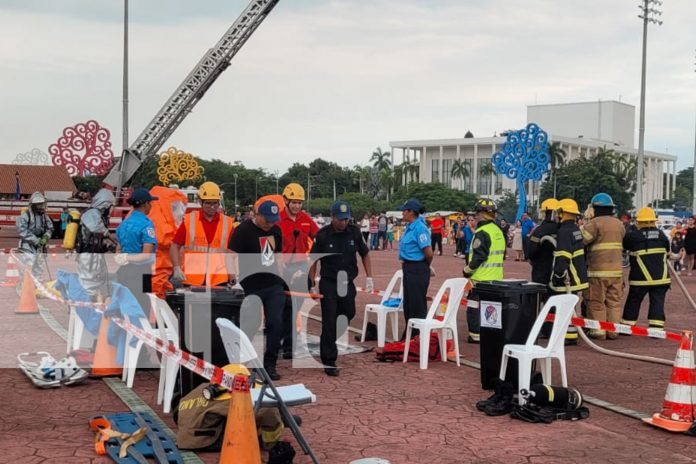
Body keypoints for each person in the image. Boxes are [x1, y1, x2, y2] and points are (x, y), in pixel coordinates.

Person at [309, 201, 372, 376]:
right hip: (329, 283)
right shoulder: (323, 235)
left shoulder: (354, 232)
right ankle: (329, 359)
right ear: (333, 217)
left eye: (346, 219)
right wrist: (312, 284)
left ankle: (327, 341)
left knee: (348, 313)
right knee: (329, 320)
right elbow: (312, 260)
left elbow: (365, 253)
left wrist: (370, 277)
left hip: (347, 282)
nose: (344, 223)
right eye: (340, 219)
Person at [228, 200, 286, 380]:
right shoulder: (243, 231)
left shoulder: (276, 231)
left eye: (273, 220)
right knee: (250, 325)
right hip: (250, 286)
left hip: (273, 285)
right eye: (267, 220)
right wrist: (232, 279)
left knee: (275, 323)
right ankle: (242, 361)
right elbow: (230, 255)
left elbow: (278, 256)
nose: (270, 224)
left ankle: (270, 365)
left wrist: (284, 277)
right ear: (257, 215)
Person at [277, 182, 319, 359]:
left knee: (295, 307)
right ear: (286, 201)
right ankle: (287, 343)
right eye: (293, 202)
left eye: (299, 202)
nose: (296, 206)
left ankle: (289, 342)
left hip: (301, 268)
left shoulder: (305, 219)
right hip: (282, 269)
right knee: (284, 307)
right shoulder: (277, 219)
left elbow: (318, 235)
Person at [170, 182, 236, 287]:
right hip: (192, 279)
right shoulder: (189, 220)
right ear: (200, 202)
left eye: (215, 203)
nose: (212, 207)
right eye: (208, 203)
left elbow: (232, 253)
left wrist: (233, 279)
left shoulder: (227, 223)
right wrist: (176, 267)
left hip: (219, 280)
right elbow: (174, 245)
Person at [581, 193, 625, 340]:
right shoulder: (619, 224)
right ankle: (613, 331)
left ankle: (598, 331)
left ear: (595, 208)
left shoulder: (594, 224)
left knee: (596, 301)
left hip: (597, 272)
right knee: (614, 302)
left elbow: (582, 241)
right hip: (617, 272)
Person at [463, 199, 505, 344]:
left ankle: (475, 335)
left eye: (476, 213)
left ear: (481, 214)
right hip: (496, 278)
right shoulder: (497, 231)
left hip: (480, 279)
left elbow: (479, 257)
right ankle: (491, 334)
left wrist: (466, 271)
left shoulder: (482, 232)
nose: (475, 216)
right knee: (492, 309)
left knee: (474, 308)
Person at [621, 207, 670, 330]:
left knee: (634, 300)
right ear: (654, 221)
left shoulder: (633, 236)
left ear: (639, 221)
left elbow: (625, 245)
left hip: (640, 278)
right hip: (661, 278)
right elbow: (667, 250)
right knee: (657, 301)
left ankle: (627, 326)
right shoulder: (662, 235)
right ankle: (656, 327)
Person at [550, 198, 588, 345]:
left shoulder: (564, 232)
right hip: (577, 274)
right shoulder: (575, 229)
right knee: (571, 306)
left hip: (568, 277)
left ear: (562, 213)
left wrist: (558, 276)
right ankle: (571, 334)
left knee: (564, 307)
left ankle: (567, 336)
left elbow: (563, 257)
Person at [115, 188, 158, 318]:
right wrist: (129, 257)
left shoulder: (124, 224)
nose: (151, 206)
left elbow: (118, 250)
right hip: (141, 272)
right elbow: (146, 255)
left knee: (124, 309)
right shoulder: (146, 225)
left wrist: (124, 257)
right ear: (145, 204)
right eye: (150, 203)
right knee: (142, 309)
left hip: (123, 271)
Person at [396, 198, 433, 335]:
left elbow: (428, 253)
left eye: (404, 211)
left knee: (417, 304)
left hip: (417, 268)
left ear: (411, 212)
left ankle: (417, 336)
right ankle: (409, 333)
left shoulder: (420, 228)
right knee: (409, 304)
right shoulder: (410, 227)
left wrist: (425, 266)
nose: (402, 213)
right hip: (409, 268)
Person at [76, 188, 117, 299]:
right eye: (110, 206)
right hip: (88, 255)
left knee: (98, 281)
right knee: (88, 283)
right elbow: (95, 228)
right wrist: (110, 235)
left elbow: (99, 238)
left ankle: (92, 306)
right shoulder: (91, 213)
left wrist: (112, 246)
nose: (111, 209)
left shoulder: (99, 215)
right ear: (105, 204)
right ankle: (83, 307)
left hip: (95, 254)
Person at [16, 192, 54, 280]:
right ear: (33, 205)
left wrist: (46, 237)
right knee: (29, 262)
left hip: (40, 244)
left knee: (39, 266)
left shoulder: (44, 216)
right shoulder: (25, 215)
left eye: (42, 205)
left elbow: (50, 228)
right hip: (27, 244)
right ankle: (24, 286)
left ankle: (38, 286)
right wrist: (35, 240)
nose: (41, 207)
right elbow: (22, 230)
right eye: (39, 205)